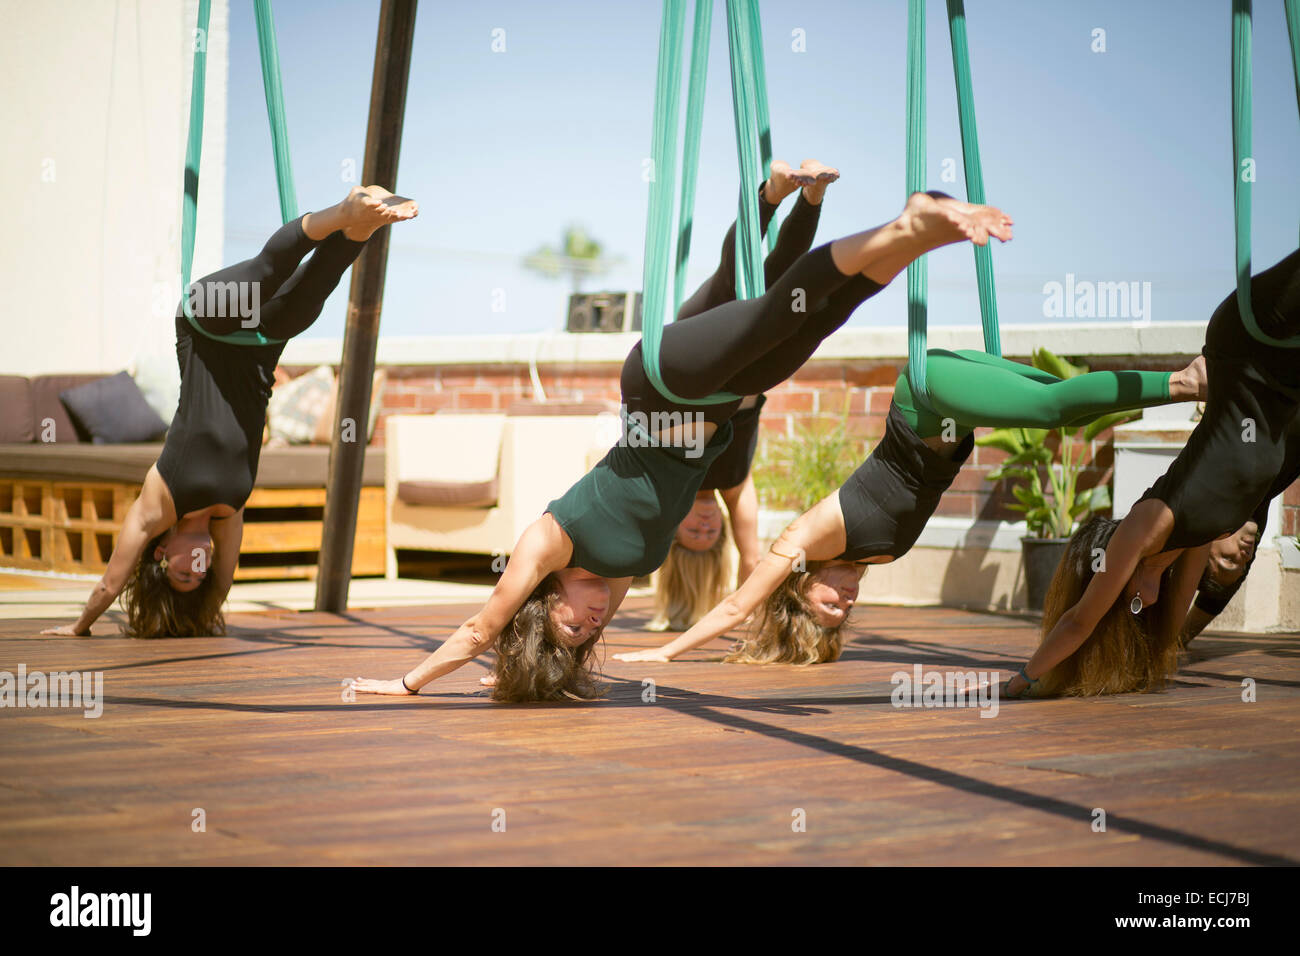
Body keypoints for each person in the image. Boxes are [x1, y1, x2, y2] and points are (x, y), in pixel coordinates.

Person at [350, 190, 1014, 701]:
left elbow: (478, 630)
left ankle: (895, 221)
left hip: (661, 386)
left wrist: (405, 684)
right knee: (813, 323)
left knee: (775, 312)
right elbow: (544, 649)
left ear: (546, 604)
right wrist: (552, 674)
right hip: (716, 407)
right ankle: (917, 236)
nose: (594, 619)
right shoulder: (613, 577)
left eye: (574, 625)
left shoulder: (549, 545)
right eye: (591, 634)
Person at [614, 350, 1208, 666]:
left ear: (801, 586)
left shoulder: (803, 539)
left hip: (926, 398)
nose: (843, 600)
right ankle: (1208, 383)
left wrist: (664, 649)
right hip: (956, 405)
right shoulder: (876, 554)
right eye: (843, 611)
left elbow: (739, 604)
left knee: (1056, 409)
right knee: (1064, 403)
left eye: (828, 602)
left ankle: (1186, 382)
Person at [40, 187, 418, 638]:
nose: (197, 572)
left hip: (205, 327)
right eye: (198, 578)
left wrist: (80, 626)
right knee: (314, 289)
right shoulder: (230, 513)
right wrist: (203, 615)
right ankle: (364, 223)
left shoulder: (159, 502)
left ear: (161, 553)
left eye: (184, 574)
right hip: (261, 344)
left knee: (267, 273)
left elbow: (109, 583)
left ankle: (343, 210)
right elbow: (222, 584)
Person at [1006, 249, 1300, 698]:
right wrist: (1131, 665)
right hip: (1284, 383)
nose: (1146, 600)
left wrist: (1023, 679)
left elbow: (1079, 620)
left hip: (1246, 344)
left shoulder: (1147, 525)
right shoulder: (1193, 545)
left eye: (1134, 600)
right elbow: (1167, 636)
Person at [652, 159, 836, 631]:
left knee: (733, 281)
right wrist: (736, 618)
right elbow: (752, 558)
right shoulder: (735, 486)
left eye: (692, 530)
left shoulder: (665, 484)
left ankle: (771, 195)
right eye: (708, 536)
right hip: (746, 365)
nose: (706, 526)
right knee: (781, 284)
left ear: (671, 529)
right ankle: (811, 196)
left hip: (693, 347)